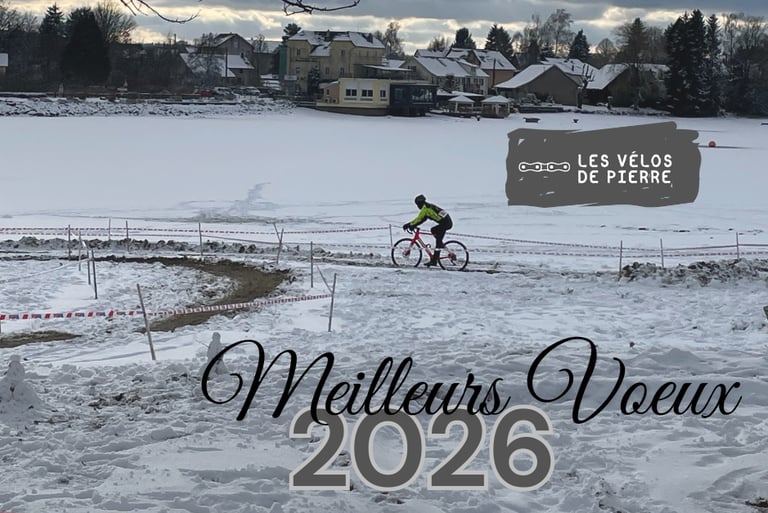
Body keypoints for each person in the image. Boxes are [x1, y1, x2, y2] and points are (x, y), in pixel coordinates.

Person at [402, 194, 453, 267]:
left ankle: (434, 260)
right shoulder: (428, 206)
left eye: (417, 205)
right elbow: (422, 219)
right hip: (446, 221)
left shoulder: (425, 209)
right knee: (433, 230)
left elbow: (419, 219)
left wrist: (410, 225)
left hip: (446, 223)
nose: (417, 206)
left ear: (420, 203)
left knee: (438, 240)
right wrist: (411, 224)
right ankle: (439, 246)